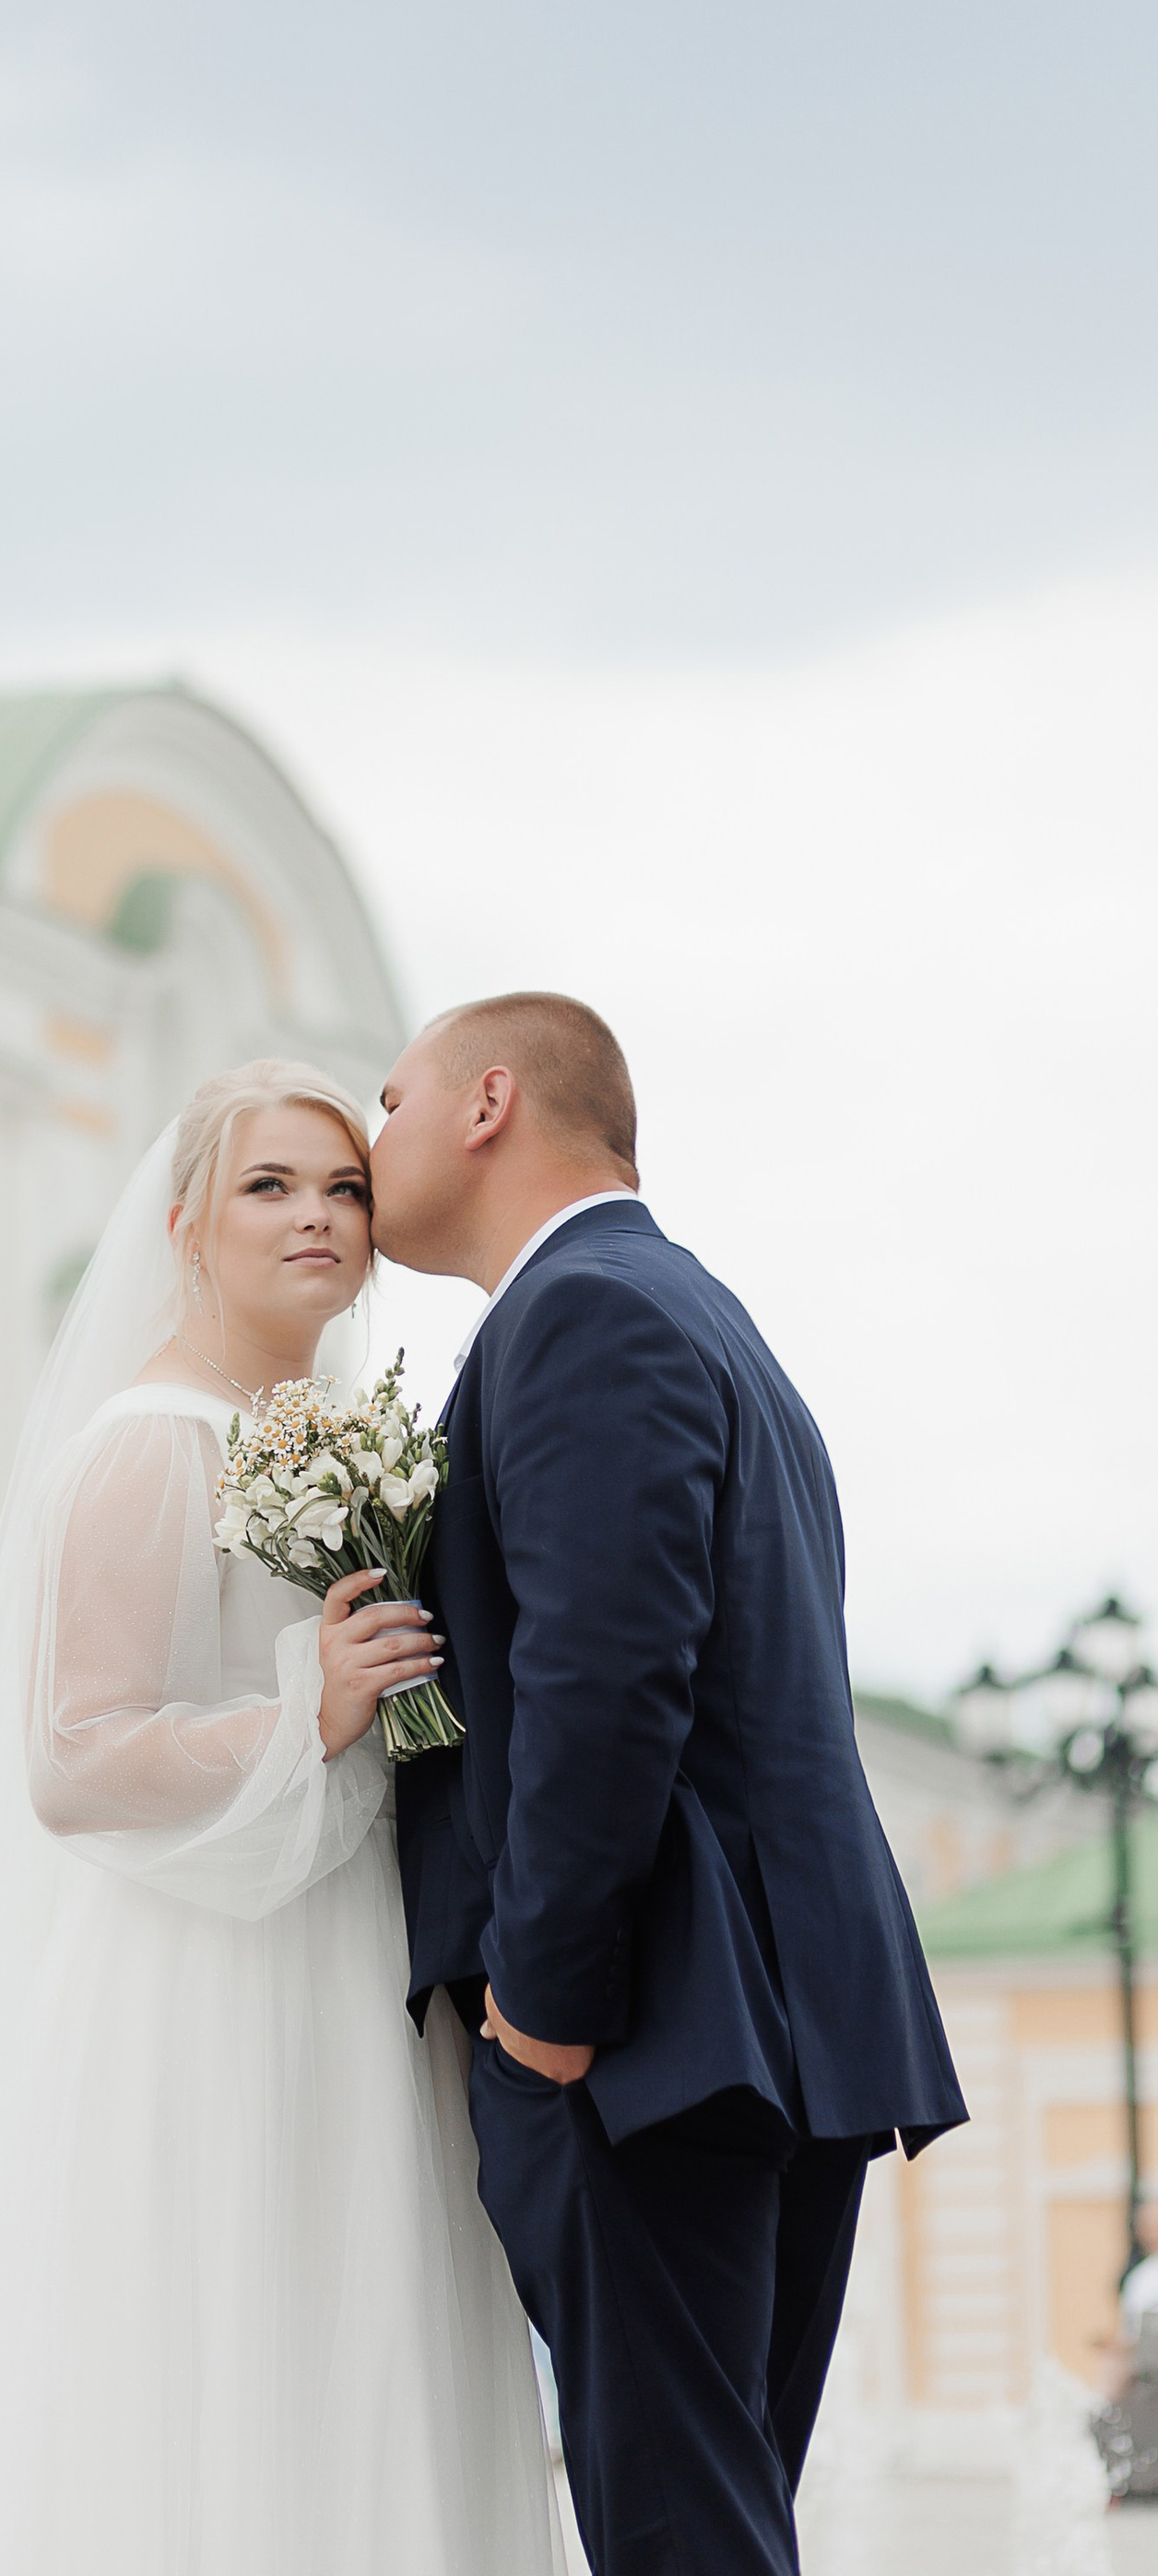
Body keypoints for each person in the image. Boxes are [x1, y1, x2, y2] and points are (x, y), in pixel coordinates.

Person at [0, 1056, 566, 2576]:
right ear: (184, 1223)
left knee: (361, 2349)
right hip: (207, 1987)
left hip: (354, 1966)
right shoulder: (152, 1441)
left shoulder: (343, 1440)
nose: (319, 1218)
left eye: (344, 1185)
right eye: (270, 1187)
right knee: (219, 2363)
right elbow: (74, 1759)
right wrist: (312, 1709)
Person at [372, 991, 966, 2576]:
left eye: (391, 1100)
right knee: (717, 2522)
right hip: (772, 2018)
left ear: (489, 1101)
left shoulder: (584, 1314)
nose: (375, 1145)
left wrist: (542, 2014)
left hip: (651, 2034)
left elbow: (603, 1676)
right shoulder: (700, 1314)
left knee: (680, 2535)